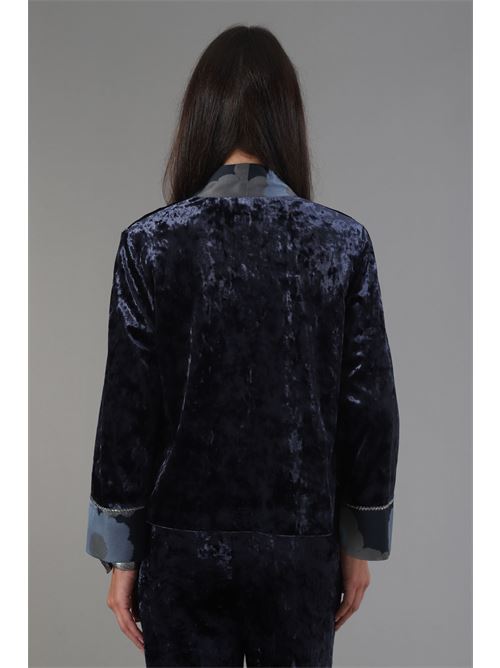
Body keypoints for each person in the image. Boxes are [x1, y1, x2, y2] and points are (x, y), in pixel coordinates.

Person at [85, 23, 400, 668]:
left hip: (181, 549)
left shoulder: (150, 244)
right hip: (300, 547)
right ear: (288, 118)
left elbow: (127, 411)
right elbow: (369, 405)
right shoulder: (342, 243)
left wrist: (122, 554)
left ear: (199, 115)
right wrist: (358, 542)